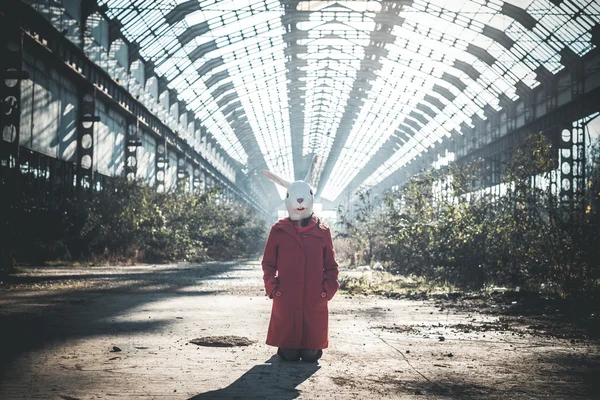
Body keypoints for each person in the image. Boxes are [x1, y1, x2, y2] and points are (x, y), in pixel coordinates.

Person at [261, 158, 339, 362]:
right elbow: (268, 263)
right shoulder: (278, 230)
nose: (300, 202)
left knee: (310, 355)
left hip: (314, 298)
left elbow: (331, 265)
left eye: (305, 197)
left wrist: (327, 290)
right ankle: (286, 348)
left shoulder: (323, 231)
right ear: (287, 200)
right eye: (293, 197)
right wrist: (272, 287)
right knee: (289, 355)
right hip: (285, 296)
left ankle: (312, 348)